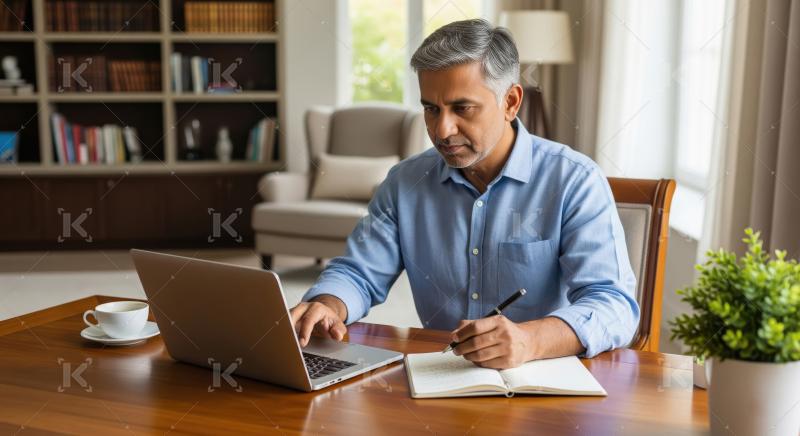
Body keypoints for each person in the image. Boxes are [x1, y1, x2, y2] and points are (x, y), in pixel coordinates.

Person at [289, 18, 639, 369]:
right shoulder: (403, 182)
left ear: (511, 102)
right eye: (431, 108)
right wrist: (329, 303)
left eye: (462, 108)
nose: (442, 129)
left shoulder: (574, 181)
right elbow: (359, 273)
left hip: (543, 378)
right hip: (440, 375)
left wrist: (529, 340)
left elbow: (613, 305)